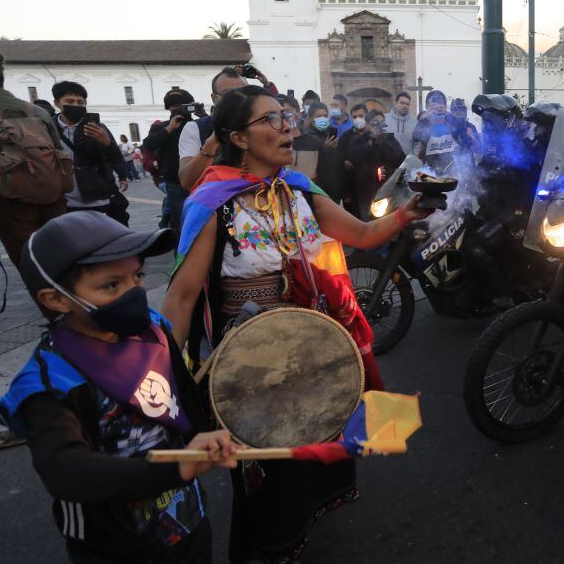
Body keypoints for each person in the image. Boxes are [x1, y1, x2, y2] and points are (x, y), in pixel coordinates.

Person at [161, 85, 432, 562]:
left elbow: (364, 234)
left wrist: (409, 213)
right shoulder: (213, 201)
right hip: (252, 352)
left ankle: (303, 526)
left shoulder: (300, 189)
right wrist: (162, 382)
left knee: (315, 431)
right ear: (238, 138)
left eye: (286, 117)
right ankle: (272, 547)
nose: (287, 126)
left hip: (311, 336)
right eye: (271, 120)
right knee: (269, 458)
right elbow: (181, 298)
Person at [0, 211, 239, 563]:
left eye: (137, 276)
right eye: (112, 285)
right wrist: (176, 468)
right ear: (56, 299)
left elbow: (183, 397)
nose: (134, 292)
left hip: (186, 520)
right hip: (113, 544)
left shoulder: (154, 330)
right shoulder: (50, 382)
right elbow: (66, 470)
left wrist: (210, 434)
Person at [0, 52, 67, 266]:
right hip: (52, 195)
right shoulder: (38, 111)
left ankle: (53, 296)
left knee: (30, 263)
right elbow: (58, 151)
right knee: (62, 258)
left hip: (7, 199)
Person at [52, 82, 130, 226]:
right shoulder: (49, 128)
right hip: (65, 199)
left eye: (80, 102)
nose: (76, 105)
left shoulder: (96, 127)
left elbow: (115, 155)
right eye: (69, 101)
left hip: (97, 194)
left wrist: (122, 175)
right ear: (57, 103)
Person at [141, 89, 200, 232]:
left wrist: (203, 115)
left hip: (199, 180)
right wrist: (170, 128)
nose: (177, 108)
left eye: (181, 105)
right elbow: (148, 145)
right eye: (173, 106)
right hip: (174, 182)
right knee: (180, 222)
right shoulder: (161, 127)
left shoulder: (199, 124)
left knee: (201, 221)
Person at [412, 89, 466, 174]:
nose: (437, 108)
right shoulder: (425, 125)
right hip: (430, 173)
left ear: (444, 106)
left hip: (453, 173)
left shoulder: (450, 123)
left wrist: (448, 114)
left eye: (440, 104)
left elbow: (463, 131)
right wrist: (424, 119)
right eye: (433, 106)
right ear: (427, 108)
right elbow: (416, 136)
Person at [385, 91, 415, 155]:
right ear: (396, 103)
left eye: (407, 104)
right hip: (387, 160)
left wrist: (412, 159)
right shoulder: (385, 119)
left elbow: (417, 144)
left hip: (407, 162)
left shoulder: (414, 123)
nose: (405, 106)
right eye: (402, 103)